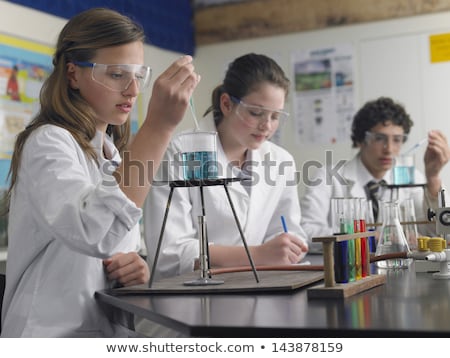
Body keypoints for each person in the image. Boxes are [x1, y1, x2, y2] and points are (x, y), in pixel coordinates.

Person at [0, 8, 199, 337]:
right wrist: (159, 127)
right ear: (74, 74)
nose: (133, 90)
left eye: (138, 75)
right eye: (117, 74)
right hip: (49, 334)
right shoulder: (48, 141)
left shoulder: (110, 154)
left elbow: (110, 245)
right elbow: (95, 232)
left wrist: (134, 267)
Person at [144, 53, 309, 281]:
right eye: (256, 113)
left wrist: (287, 247)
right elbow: (168, 254)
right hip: (194, 298)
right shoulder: (180, 152)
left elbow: (287, 232)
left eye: (275, 116)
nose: (267, 126)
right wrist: (258, 255)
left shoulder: (281, 161)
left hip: (261, 288)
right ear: (227, 104)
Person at [300, 97, 450, 252]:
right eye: (379, 138)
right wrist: (370, 237)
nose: (389, 149)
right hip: (346, 271)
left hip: (398, 268)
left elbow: (438, 233)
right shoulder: (328, 177)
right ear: (360, 140)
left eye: (397, 140)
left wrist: (433, 177)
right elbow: (307, 231)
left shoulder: (413, 178)